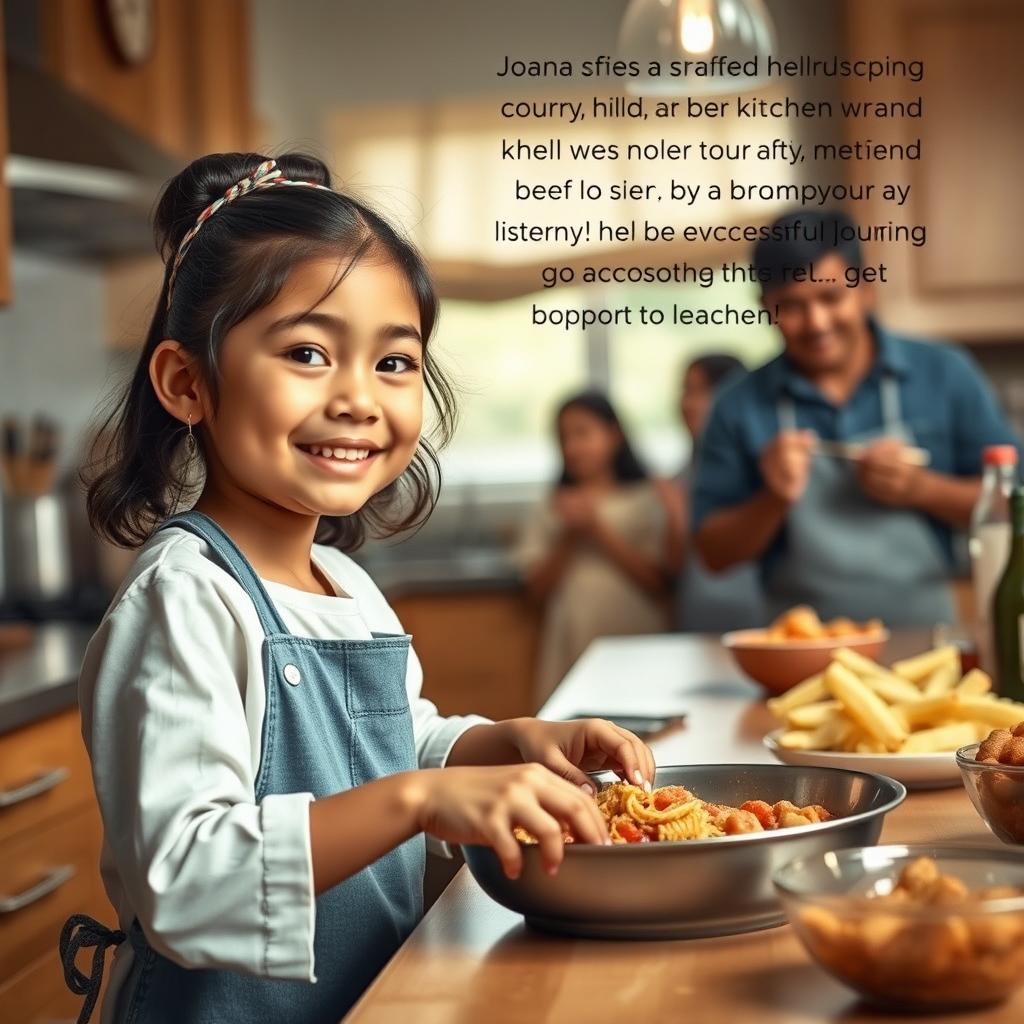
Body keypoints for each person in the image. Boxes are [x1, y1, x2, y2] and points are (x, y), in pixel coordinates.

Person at [63, 153, 656, 1024]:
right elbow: (186, 878)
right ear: (187, 382)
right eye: (308, 352)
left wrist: (508, 744)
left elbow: (394, 745)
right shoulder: (183, 599)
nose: (358, 399)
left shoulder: (341, 581)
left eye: (393, 363)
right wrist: (421, 802)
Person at [693, 208, 1021, 626]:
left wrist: (922, 488)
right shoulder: (737, 405)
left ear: (866, 290)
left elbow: (1016, 504)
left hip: (928, 639)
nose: (816, 323)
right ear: (765, 308)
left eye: (831, 298)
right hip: (801, 652)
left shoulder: (944, 373)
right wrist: (772, 498)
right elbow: (712, 554)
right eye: (791, 307)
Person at [518, 391, 684, 703]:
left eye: (583, 434)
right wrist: (569, 536)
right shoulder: (553, 505)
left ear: (614, 434)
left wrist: (597, 530)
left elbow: (660, 583)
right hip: (573, 637)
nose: (572, 448)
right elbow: (535, 590)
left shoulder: (647, 498)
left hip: (636, 635)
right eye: (563, 438)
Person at [675, 354, 766, 631]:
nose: (689, 403)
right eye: (685, 391)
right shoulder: (679, 473)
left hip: (752, 607)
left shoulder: (765, 464)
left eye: (702, 392)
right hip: (697, 609)